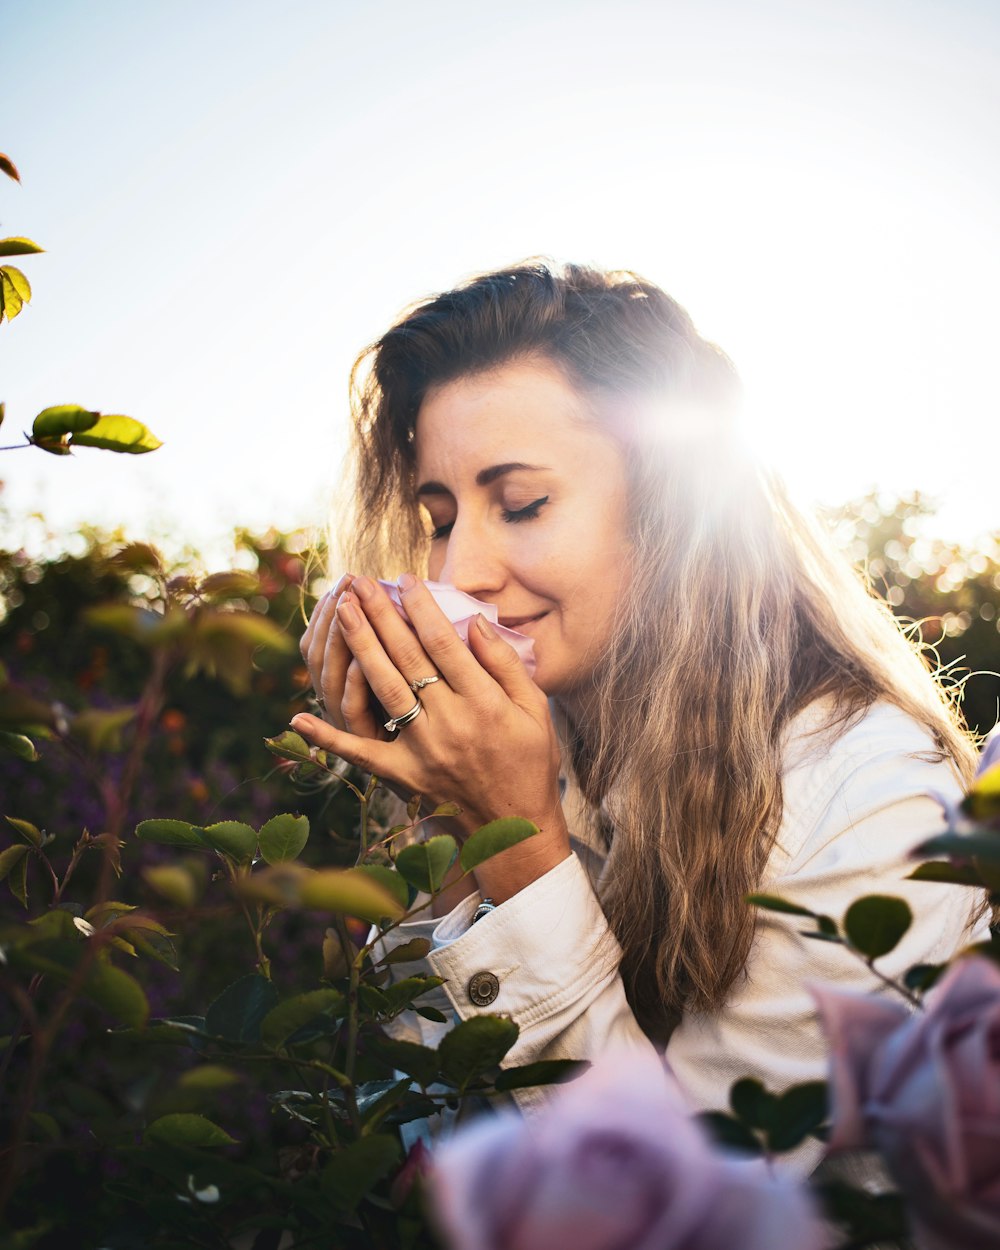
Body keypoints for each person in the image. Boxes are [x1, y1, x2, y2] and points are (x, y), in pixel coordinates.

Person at [293, 260, 983, 1173]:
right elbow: (441, 1153)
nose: (459, 574)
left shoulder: (866, 800)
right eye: (442, 516)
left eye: (523, 503)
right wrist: (450, 820)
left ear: (671, 505)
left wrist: (521, 852)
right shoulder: (548, 747)